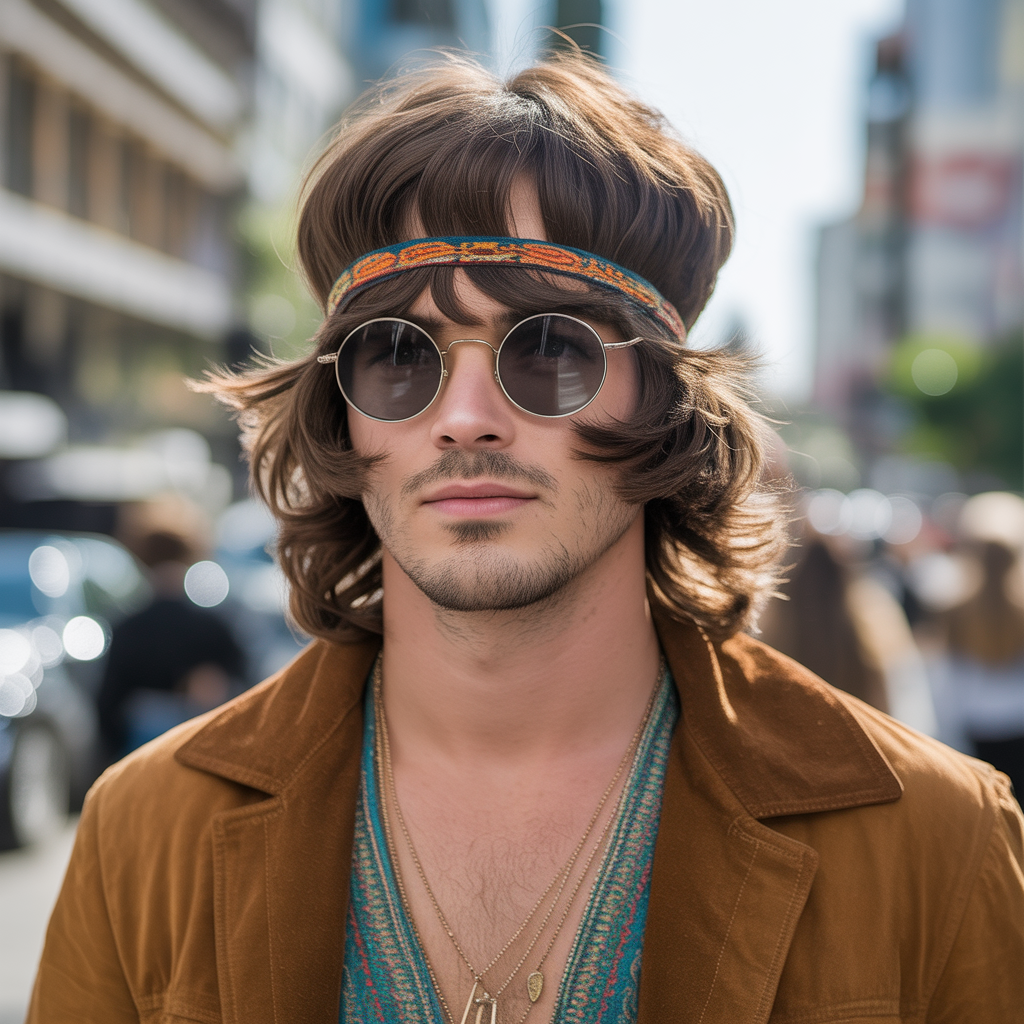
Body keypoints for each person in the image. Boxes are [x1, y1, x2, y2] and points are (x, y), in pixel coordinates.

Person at [29, 53, 1023, 1023]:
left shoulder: (933, 840)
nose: (464, 417)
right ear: (345, 417)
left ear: (666, 404)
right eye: (396, 356)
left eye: (548, 350)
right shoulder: (146, 833)